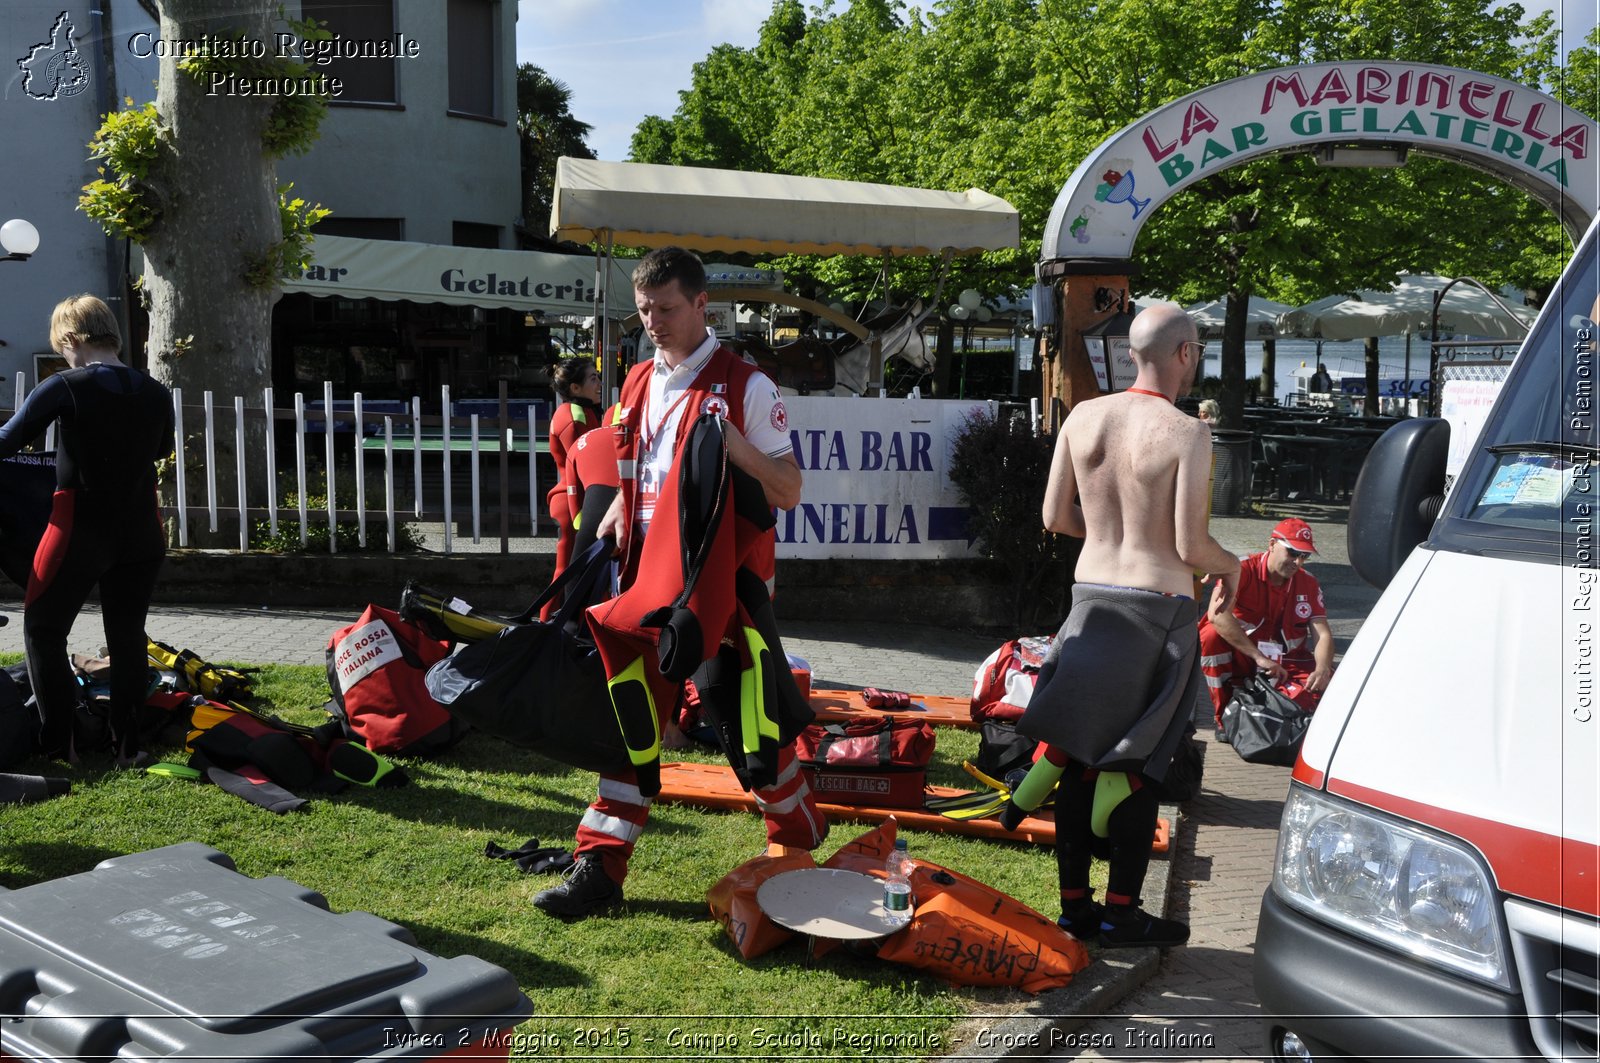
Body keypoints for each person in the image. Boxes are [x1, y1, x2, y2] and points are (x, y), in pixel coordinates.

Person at [533, 246, 825, 919]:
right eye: (643, 311)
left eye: (666, 308)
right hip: (644, 586)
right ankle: (598, 869)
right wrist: (613, 512)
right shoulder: (636, 381)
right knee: (630, 722)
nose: (653, 322)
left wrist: (734, 445)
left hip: (727, 593)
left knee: (753, 733)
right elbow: (638, 470)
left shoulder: (746, 384)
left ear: (701, 305)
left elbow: (787, 489)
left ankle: (797, 837)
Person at [998, 303, 1241, 950]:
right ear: (1185, 353)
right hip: (1156, 614)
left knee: (1079, 756)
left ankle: (1074, 909)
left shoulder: (1082, 416)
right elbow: (1191, 546)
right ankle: (1123, 912)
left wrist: (1110, 532)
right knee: (1137, 763)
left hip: (1089, 599)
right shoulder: (1187, 432)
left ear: (1133, 351)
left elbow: (1055, 515)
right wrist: (1234, 566)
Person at [0, 295, 173, 766]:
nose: (64, 355)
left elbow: (7, 441)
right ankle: (128, 746)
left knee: (42, 630)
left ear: (72, 338)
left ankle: (59, 746)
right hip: (141, 532)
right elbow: (159, 450)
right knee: (127, 633)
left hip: (78, 527)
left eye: (63, 346)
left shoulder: (65, 386)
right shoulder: (156, 391)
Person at [1198, 517, 1335, 734]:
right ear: (1271, 544)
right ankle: (1224, 717)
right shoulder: (1240, 569)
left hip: (1287, 663)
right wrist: (1258, 657)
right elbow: (1217, 615)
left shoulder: (1308, 582)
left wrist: (1322, 668)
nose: (1297, 562)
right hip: (1246, 657)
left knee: (1328, 688)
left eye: (1304, 556)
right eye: (1292, 552)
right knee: (1210, 636)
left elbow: (1322, 633)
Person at [541, 355, 604, 620]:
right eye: (593, 378)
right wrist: (580, 513)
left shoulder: (585, 411)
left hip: (584, 502)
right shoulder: (573, 416)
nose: (599, 383)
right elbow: (579, 468)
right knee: (565, 570)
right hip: (572, 504)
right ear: (575, 388)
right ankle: (543, 626)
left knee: (580, 568)